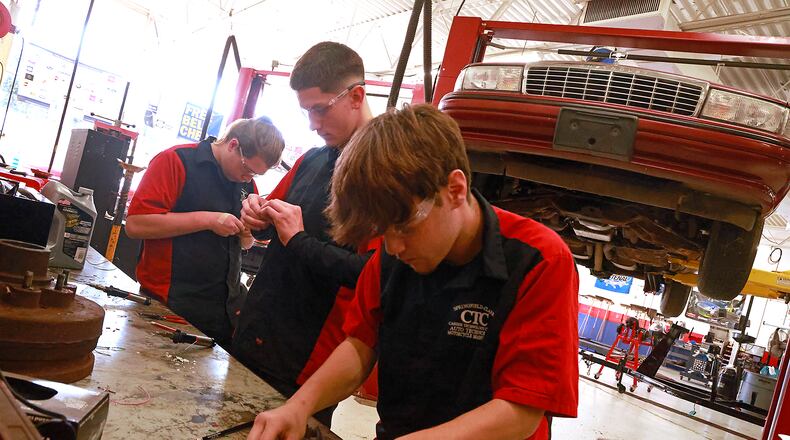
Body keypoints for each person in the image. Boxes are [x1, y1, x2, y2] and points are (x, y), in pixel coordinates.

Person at [246, 105, 580, 440]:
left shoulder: (539, 260)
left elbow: (521, 411)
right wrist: (298, 407)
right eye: (382, 231)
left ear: (455, 190)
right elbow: (360, 344)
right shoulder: (390, 256)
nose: (393, 248)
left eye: (406, 227)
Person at [232, 42, 374, 426]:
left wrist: (298, 239)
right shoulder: (312, 159)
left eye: (320, 109)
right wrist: (257, 216)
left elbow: (373, 274)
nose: (313, 123)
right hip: (257, 330)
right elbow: (269, 226)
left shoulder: (382, 176)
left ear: (356, 96)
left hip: (308, 360)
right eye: (306, 111)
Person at [126, 117, 284, 348]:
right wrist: (208, 220)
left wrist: (246, 233)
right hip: (170, 302)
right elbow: (136, 225)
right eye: (247, 169)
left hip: (223, 309)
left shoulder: (245, 184)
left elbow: (245, 245)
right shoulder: (175, 161)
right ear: (232, 145)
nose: (248, 178)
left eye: (256, 175)